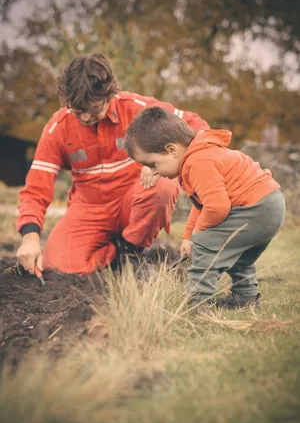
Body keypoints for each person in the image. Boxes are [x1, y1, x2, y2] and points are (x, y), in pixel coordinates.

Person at [16, 53, 209, 275]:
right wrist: (30, 237)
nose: (86, 118)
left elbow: (198, 127)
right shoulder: (57, 129)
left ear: (110, 94)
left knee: (163, 186)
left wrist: (156, 164)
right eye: (79, 110)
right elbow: (35, 188)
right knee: (57, 267)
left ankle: (131, 251)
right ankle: (115, 256)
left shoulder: (137, 108)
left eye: (94, 109)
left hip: (135, 199)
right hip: (89, 209)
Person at [124, 107, 286, 309]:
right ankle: (245, 299)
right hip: (268, 206)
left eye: (153, 164)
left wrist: (197, 236)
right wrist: (187, 235)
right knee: (238, 256)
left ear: (172, 150)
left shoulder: (199, 162)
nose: (154, 173)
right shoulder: (195, 157)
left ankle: (198, 303)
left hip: (256, 209)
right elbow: (201, 205)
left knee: (204, 245)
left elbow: (217, 207)